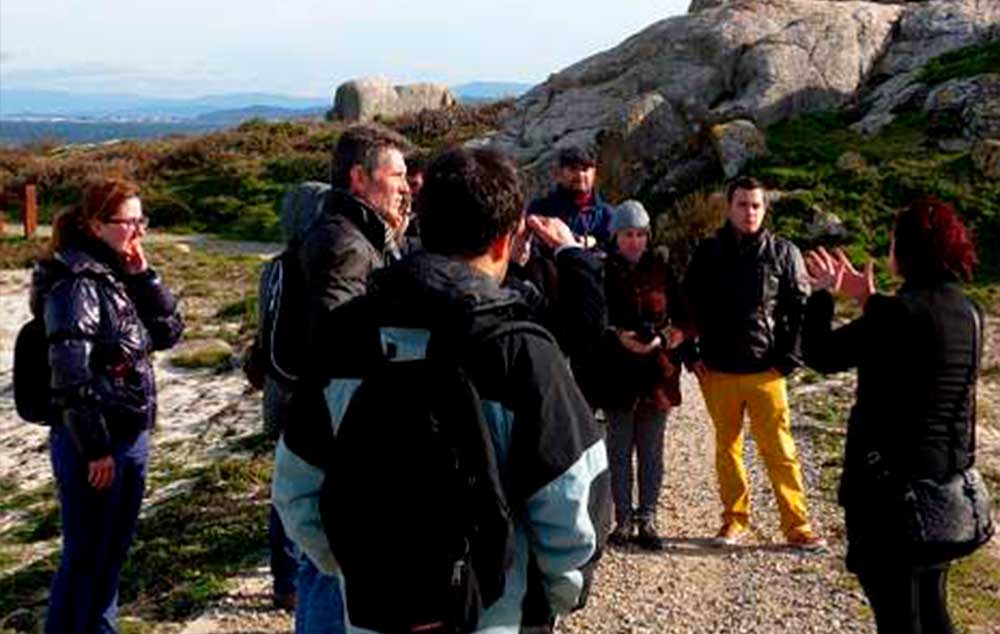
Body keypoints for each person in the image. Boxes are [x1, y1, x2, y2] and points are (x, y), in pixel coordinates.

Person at [277, 147, 611, 633]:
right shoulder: (521, 351)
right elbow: (573, 501)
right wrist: (551, 596)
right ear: (506, 239)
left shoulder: (344, 335)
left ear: (422, 221)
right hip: (495, 613)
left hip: (375, 612)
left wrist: (355, 568)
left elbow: (296, 489)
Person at [802, 197, 982, 634]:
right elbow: (916, 350)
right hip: (946, 492)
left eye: (892, 242)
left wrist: (823, 294)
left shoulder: (896, 314)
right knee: (933, 609)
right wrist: (870, 300)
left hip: (891, 498)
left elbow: (821, 354)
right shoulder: (967, 310)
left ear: (907, 251)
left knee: (898, 617)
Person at [274, 122, 412, 634]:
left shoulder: (343, 232)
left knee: (321, 561)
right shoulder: (346, 245)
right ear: (359, 178)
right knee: (331, 565)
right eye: (395, 175)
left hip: (321, 420)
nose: (405, 185)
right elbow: (341, 348)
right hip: (338, 429)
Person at [31, 177, 184, 634]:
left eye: (143, 221)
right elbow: (70, 372)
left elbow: (168, 333)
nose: (138, 232)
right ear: (96, 226)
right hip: (99, 443)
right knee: (86, 556)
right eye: (127, 222)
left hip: (128, 433)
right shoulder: (76, 282)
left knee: (110, 552)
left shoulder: (119, 272)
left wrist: (144, 277)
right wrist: (95, 447)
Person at [684, 176, 825, 550]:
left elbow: (800, 309)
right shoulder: (707, 251)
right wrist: (690, 355)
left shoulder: (783, 252)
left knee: (779, 451)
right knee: (727, 449)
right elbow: (688, 305)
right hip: (717, 370)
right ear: (728, 208)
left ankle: (798, 525)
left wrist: (789, 359)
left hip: (767, 370)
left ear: (765, 209)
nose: (749, 212)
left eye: (756, 205)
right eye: (742, 204)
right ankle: (734, 521)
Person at [601, 200, 688, 550]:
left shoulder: (664, 270)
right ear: (615, 236)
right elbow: (595, 318)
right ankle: (622, 519)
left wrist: (662, 340)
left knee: (651, 450)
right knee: (619, 450)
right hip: (618, 373)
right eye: (626, 234)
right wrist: (617, 336)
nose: (634, 241)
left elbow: (685, 317)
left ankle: (648, 518)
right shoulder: (603, 270)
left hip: (656, 375)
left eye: (639, 234)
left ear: (648, 236)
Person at [527, 146, 614, 251]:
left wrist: (592, 243)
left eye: (585, 169)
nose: (580, 175)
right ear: (560, 172)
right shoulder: (541, 209)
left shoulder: (607, 215)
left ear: (594, 173)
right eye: (573, 169)